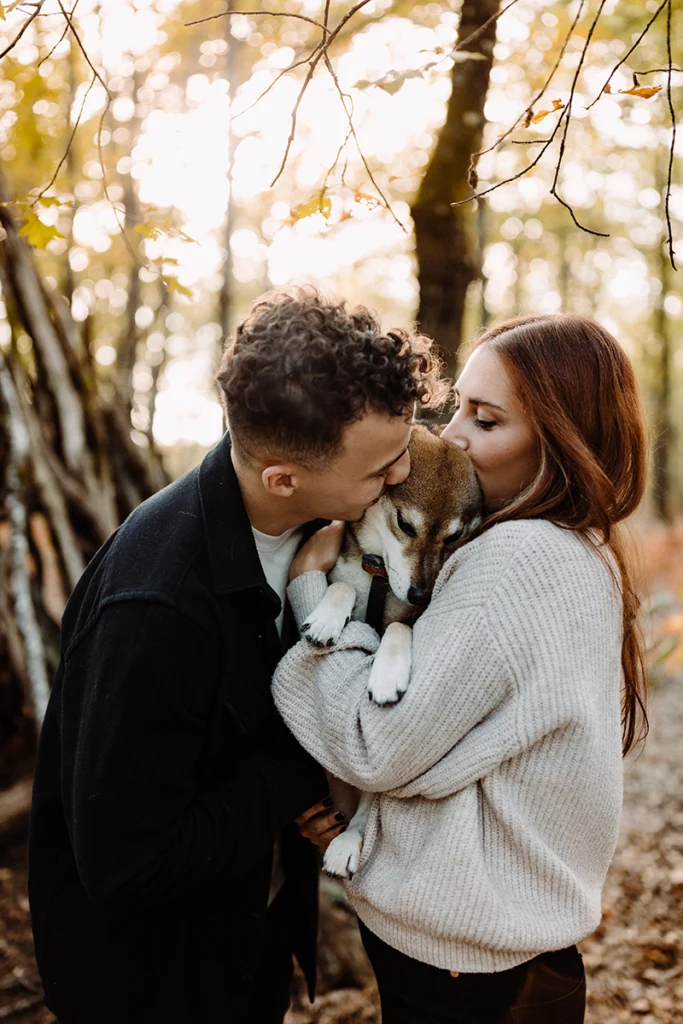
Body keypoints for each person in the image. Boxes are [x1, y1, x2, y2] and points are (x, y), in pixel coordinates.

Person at [27, 288, 447, 1024]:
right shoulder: (156, 609)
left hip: (251, 935)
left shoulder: (319, 526)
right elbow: (127, 862)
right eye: (381, 466)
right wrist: (300, 775)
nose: (399, 473)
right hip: (154, 982)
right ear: (282, 476)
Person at [272, 313, 649, 1024]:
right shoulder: (581, 547)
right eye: (455, 410)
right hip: (508, 943)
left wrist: (308, 592)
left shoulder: (514, 562)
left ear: (559, 440)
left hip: (468, 964)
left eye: (486, 419)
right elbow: (472, 746)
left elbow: (374, 743)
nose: (450, 436)